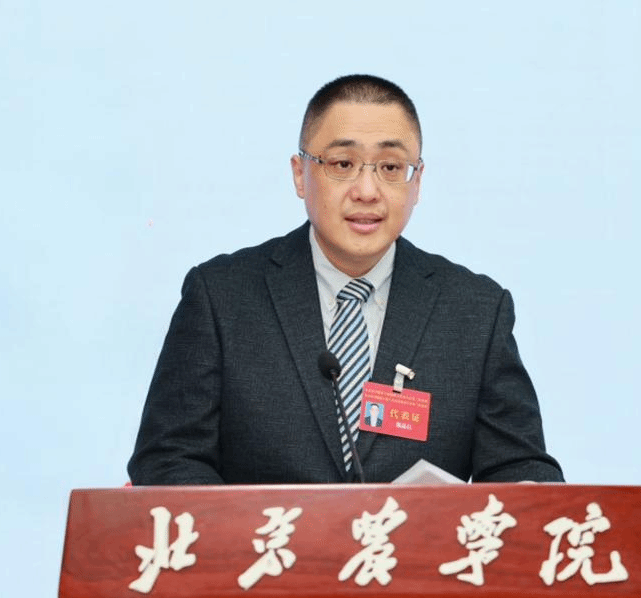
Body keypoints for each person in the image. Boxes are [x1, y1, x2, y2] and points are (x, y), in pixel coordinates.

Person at [128, 74, 563, 485]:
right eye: (342, 163)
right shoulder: (221, 298)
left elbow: (520, 469)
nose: (367, 191)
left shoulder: (476, 311)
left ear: (417, 182)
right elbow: (168, 458)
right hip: (266, 541)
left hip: (415, 544)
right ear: (300, 174)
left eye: (390, 167)